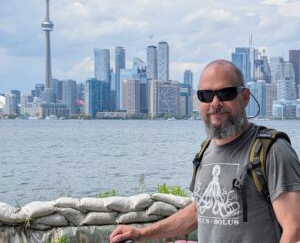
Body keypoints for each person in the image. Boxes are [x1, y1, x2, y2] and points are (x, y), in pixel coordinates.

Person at [110, 59, 300, 243]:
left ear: (245, 97)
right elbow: (199, 212)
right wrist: (140, 234)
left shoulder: (273, 151)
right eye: (206, 95)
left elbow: (295, 229)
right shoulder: (205, 151)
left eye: (226, 93)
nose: (215, 103)